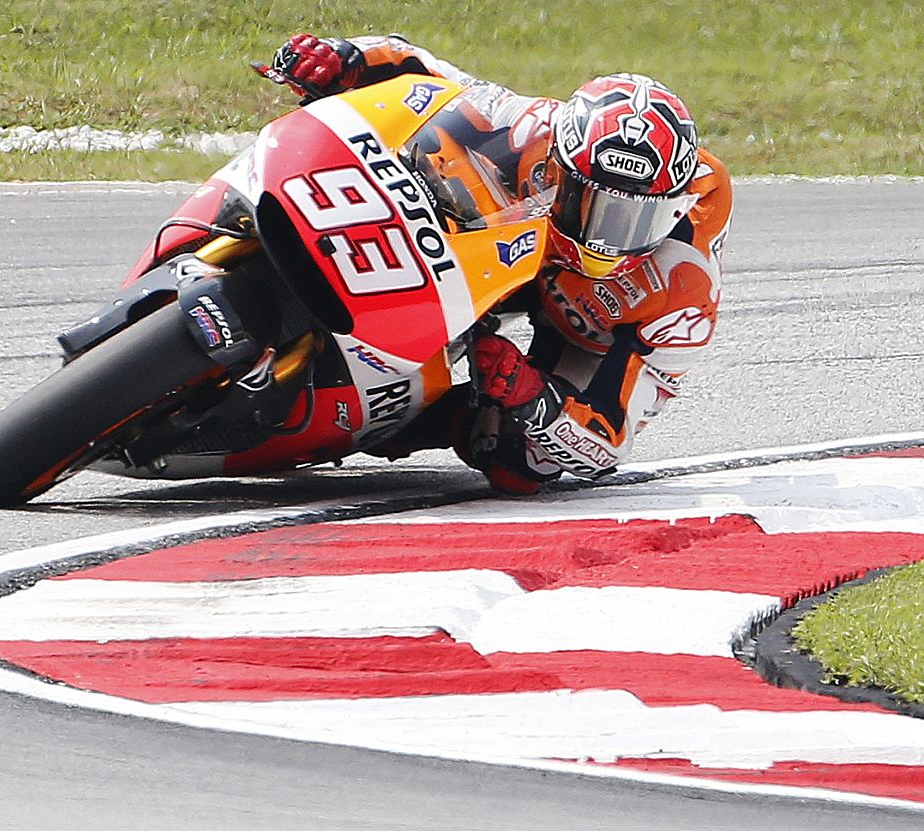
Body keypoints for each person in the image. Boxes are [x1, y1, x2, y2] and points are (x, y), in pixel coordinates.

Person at [268, 33, 732, 493]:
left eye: (634, 218)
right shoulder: (539, 130)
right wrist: (343, 59)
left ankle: (402, 419)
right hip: (517, 249)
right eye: (589, 202)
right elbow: (432, 82)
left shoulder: (684, 291)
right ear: (561, 166)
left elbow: (610, 442)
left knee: (524, 461)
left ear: (671, 208)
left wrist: (534, 399)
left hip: (585, 330)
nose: (605, 236)